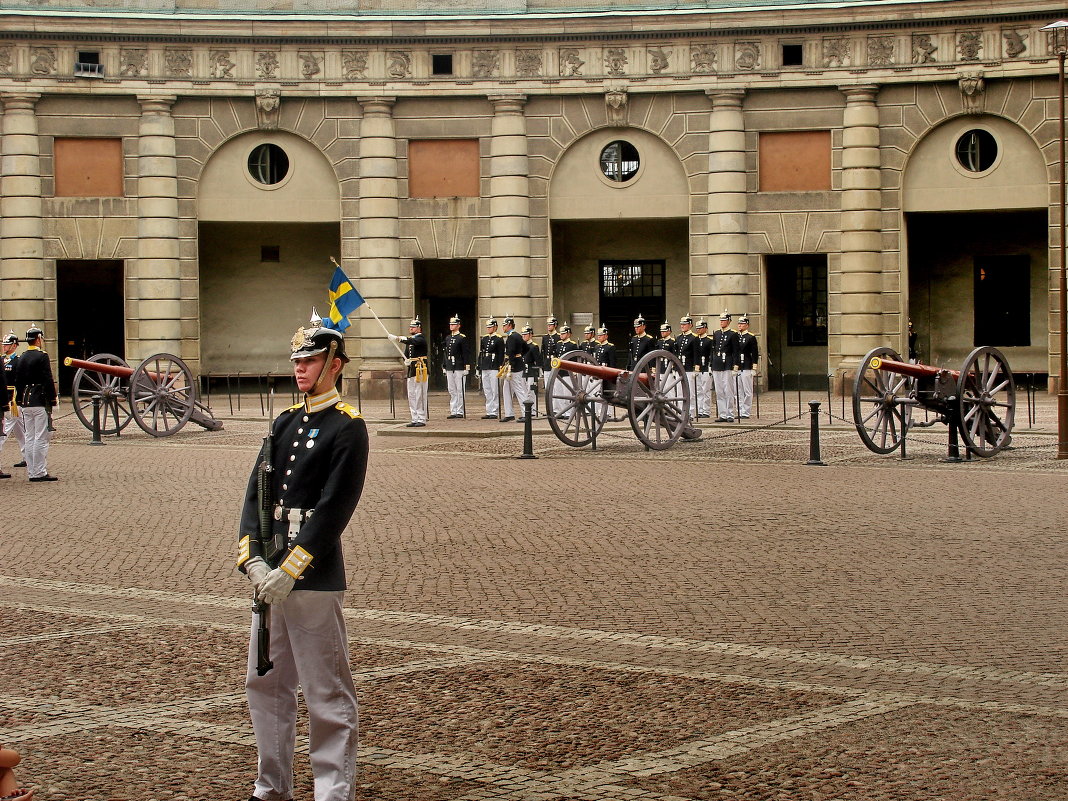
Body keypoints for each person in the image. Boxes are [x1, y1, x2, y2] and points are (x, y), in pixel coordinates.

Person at [238, 313, 368, 801]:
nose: (300, 368)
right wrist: (253, 559)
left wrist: (292, 569)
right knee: (265, 685)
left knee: (325, 692)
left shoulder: (348, 428)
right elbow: (256, 495)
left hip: (310, 577)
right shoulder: (284, 422)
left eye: (310, 360)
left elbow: (335, 506)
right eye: (296, 360)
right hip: (268, 571)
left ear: (335, 364)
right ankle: (271, 785)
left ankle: (333, 790)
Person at [14, 323, 57, 482]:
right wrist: (52, 399)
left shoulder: (22, 356)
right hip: (39, 400)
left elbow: (18, 381)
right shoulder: (42, 356)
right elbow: (47, 379)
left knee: (30, 437)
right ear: (38, 339)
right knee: (41, 438)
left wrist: (19, 400)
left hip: (25, 401)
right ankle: (39, 471)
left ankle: (32, 471)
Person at [387, 317, 428, 428]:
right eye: (410, 327)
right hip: (412, 369)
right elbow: (407, 352)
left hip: (420, 369)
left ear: (419, 328)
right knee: (412, 395)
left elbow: (412, 341)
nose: (411, 328)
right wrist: (406, 360)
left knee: (420, 394)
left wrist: (397, 338)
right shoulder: (410, 340)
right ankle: (414, 417)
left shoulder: (420, 339)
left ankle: (421, 418)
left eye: (413, 327)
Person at [711, 310, 741, 422]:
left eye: (724, 320)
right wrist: (711, 363)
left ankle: (730, 414)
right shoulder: (717, 333)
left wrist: (735, 366)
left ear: (728, 321)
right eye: (721, 320)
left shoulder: (733, 334)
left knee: (728, 390)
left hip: (727, 363)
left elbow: (736, 351)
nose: (722, 322)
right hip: (717, 363)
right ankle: (722, 414)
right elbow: (713, 350)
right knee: (719, 391)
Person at [0, 333, 24, 470]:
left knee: (4, 431)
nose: (4, 347)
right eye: (3, 344)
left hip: (13, 400)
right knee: (20, 430)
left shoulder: (18, 360)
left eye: (7, 344)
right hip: (5, 398)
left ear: (14, 345)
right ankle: (27, 456)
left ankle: (27, 456)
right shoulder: (2, 359)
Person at [441, 315, 472, 419]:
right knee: (451, 389)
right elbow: (445, 353)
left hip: (459, 366)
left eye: (453, 324)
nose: (451, 326)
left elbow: (465, 353)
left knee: (460, 389)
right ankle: (453, 410)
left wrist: (466, 366)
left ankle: (460, 410)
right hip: (450, 365)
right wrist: (444, 365)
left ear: (458, 325)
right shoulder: (448, 338)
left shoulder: (462, 338)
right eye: (450, 324)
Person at [500, 316, 528, 422]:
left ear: (509, 325)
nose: (503, 327)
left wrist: (511, 363)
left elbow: (510, 352)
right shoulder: (517, 336)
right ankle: (509, 413)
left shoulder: (512, 337)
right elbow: (526, 348)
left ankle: (526, 412)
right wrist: (519, 355)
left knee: (518, 389)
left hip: (514, 366)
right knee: (506, 389)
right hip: (514, 363)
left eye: (504, 325)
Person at [477, 318, 505, 419]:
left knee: (494, 389)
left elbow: (501, 354)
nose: (488, 329)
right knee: (487, 389)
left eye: (490, 327)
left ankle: (494, 411)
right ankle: (489, 410)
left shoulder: (499, 338)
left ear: (495, 327)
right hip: (485, 364)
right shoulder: (484, 338)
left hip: (494, 366)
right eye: (487, 327)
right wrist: (478, 366)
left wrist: (500, 366)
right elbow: (481, 353)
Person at [675, 316, 699, 419]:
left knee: (690, 392)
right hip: (679, 368)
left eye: (684, 324)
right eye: (681, 324)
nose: (682, 326)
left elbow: (696, 354)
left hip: (689, 367)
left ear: (690, 325)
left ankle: (690, 412)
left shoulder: (694, 338)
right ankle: (681, 411)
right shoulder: (679, 337)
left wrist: (696, 368)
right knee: (680, 392)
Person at [736, 314, 759, 419]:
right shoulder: (736, 336)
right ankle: (740, 410)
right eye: (739, 323)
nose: (740, 325)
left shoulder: (750, 337)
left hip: (747, 365)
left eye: (742, 323)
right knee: (738, 390)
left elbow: (754, 353)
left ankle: (746, 411)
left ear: (747, 325)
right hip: (738, 366)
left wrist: (754, 367)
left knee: (747, 390)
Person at [520, 325, 541, 418]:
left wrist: (538, 371)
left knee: (530, 391)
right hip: (523, 370)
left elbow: (538, 360)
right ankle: (527, 411)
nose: (524, 336)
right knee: (524, 391)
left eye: (526, 334)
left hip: (531, 370)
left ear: (530, 335)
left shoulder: (533, 346)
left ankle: (532, 411)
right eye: (523, 334)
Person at [693, 319, 713, 418]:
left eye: (700, 328)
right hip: (697, 368)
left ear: (705, 328)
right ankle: (699, 410)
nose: (698, 330)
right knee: (698, 390)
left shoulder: (709, 341)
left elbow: (711, 354)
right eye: (697, 328)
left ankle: (706, 410)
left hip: (706, 367)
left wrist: (710, 366)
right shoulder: (695, 340)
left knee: (706, 390)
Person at [541, 315, 560, 391]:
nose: (548, 326)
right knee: (547, 386)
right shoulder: (545, 337)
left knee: (556, 387)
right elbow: (543, 351)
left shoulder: (558, 337)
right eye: (548, 325)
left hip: (555, 364)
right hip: (547, 364)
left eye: (550, 325)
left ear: (555, 325)